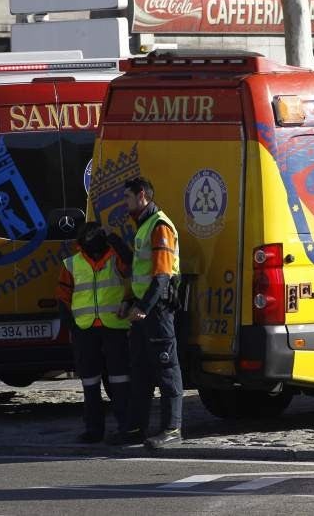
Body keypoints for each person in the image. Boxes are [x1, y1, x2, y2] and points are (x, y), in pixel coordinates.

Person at [56, 221, 132, 444]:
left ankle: (124, 426)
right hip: (85, 330)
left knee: (120, 380)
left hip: (114, 327)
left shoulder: (114, 257)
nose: (93, 241)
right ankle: (93, 429)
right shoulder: (72, 263)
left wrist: (115, 240)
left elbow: (131, 264)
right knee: (90, 383)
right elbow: (62, 296)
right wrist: (72, 326)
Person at [122, 176, 184, 449]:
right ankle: (137, 428)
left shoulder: (159, 226)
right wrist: (129, 300)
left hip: (157, 311)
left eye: (127, 197)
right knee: (140, 372)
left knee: (167, 370)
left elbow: (161, 275)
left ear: (141, 196)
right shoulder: (144, 227)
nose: (126, 203)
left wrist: (143, 308)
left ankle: (172, 430)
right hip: (144, 310)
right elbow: (140, 272)